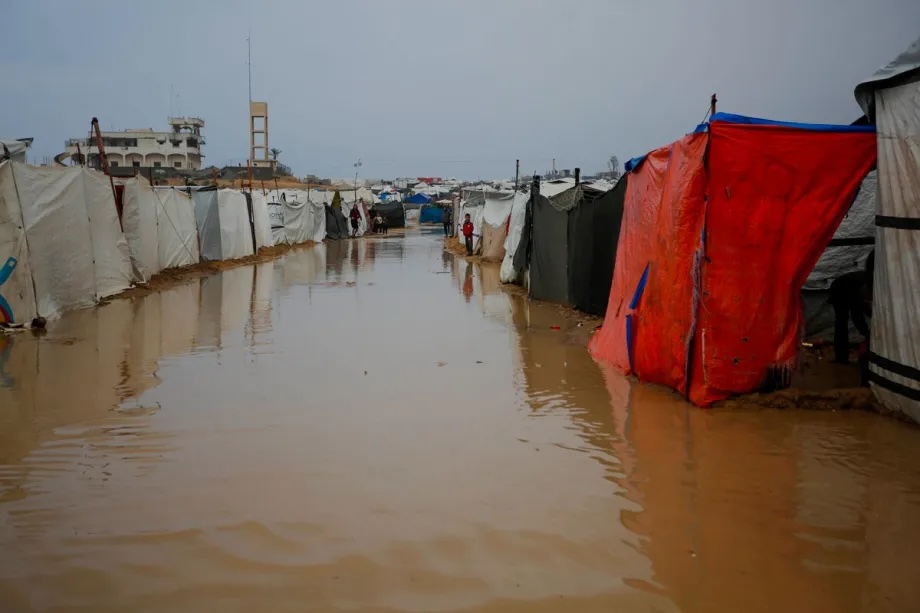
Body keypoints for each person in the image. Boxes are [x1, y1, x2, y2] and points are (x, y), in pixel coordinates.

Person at [829, 250, 874, 365]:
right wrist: (868, 333)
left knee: (855, 316)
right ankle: (841, 357)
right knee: (841, 321)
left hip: (851, 288)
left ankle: (843, 355)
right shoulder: (866, 285)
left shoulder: (872, 281)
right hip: (839, 289)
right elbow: (860, 312)